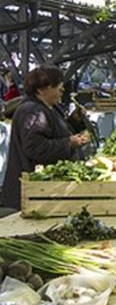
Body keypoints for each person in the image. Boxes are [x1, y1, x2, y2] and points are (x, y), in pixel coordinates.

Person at [1, 65, 91, 210]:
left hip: (44, 191)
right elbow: (36, 149)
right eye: (56, 85)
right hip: (34, 193)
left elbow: (55, 132)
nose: (62, 89)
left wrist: (75, 120)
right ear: (41, 90)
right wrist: (69, 143)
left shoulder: (49, 107)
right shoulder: (32, 111)